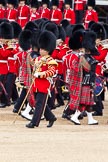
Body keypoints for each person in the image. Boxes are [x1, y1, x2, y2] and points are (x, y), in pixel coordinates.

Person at [26, 31, 58, 128]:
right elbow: (34, 65)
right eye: (40, 48)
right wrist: (30, 60)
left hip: (44, 85)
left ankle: (34, 122)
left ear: (47, 50)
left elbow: (51, 72)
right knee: (40, 103)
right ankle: (51, 117)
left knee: (39, 104)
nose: (40, 50)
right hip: (36, 84)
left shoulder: (51, 61)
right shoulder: (38, 59)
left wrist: (40, 74)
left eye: (42, 49)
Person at [70, 30, 99, 125]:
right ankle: (75, 116)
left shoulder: (81, 57)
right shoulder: (89, 59)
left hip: (83, 82)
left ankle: (90, 119)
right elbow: (90, 72)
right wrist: (92, 84)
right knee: (84, 102)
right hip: (87, 83)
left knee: (89, 103)